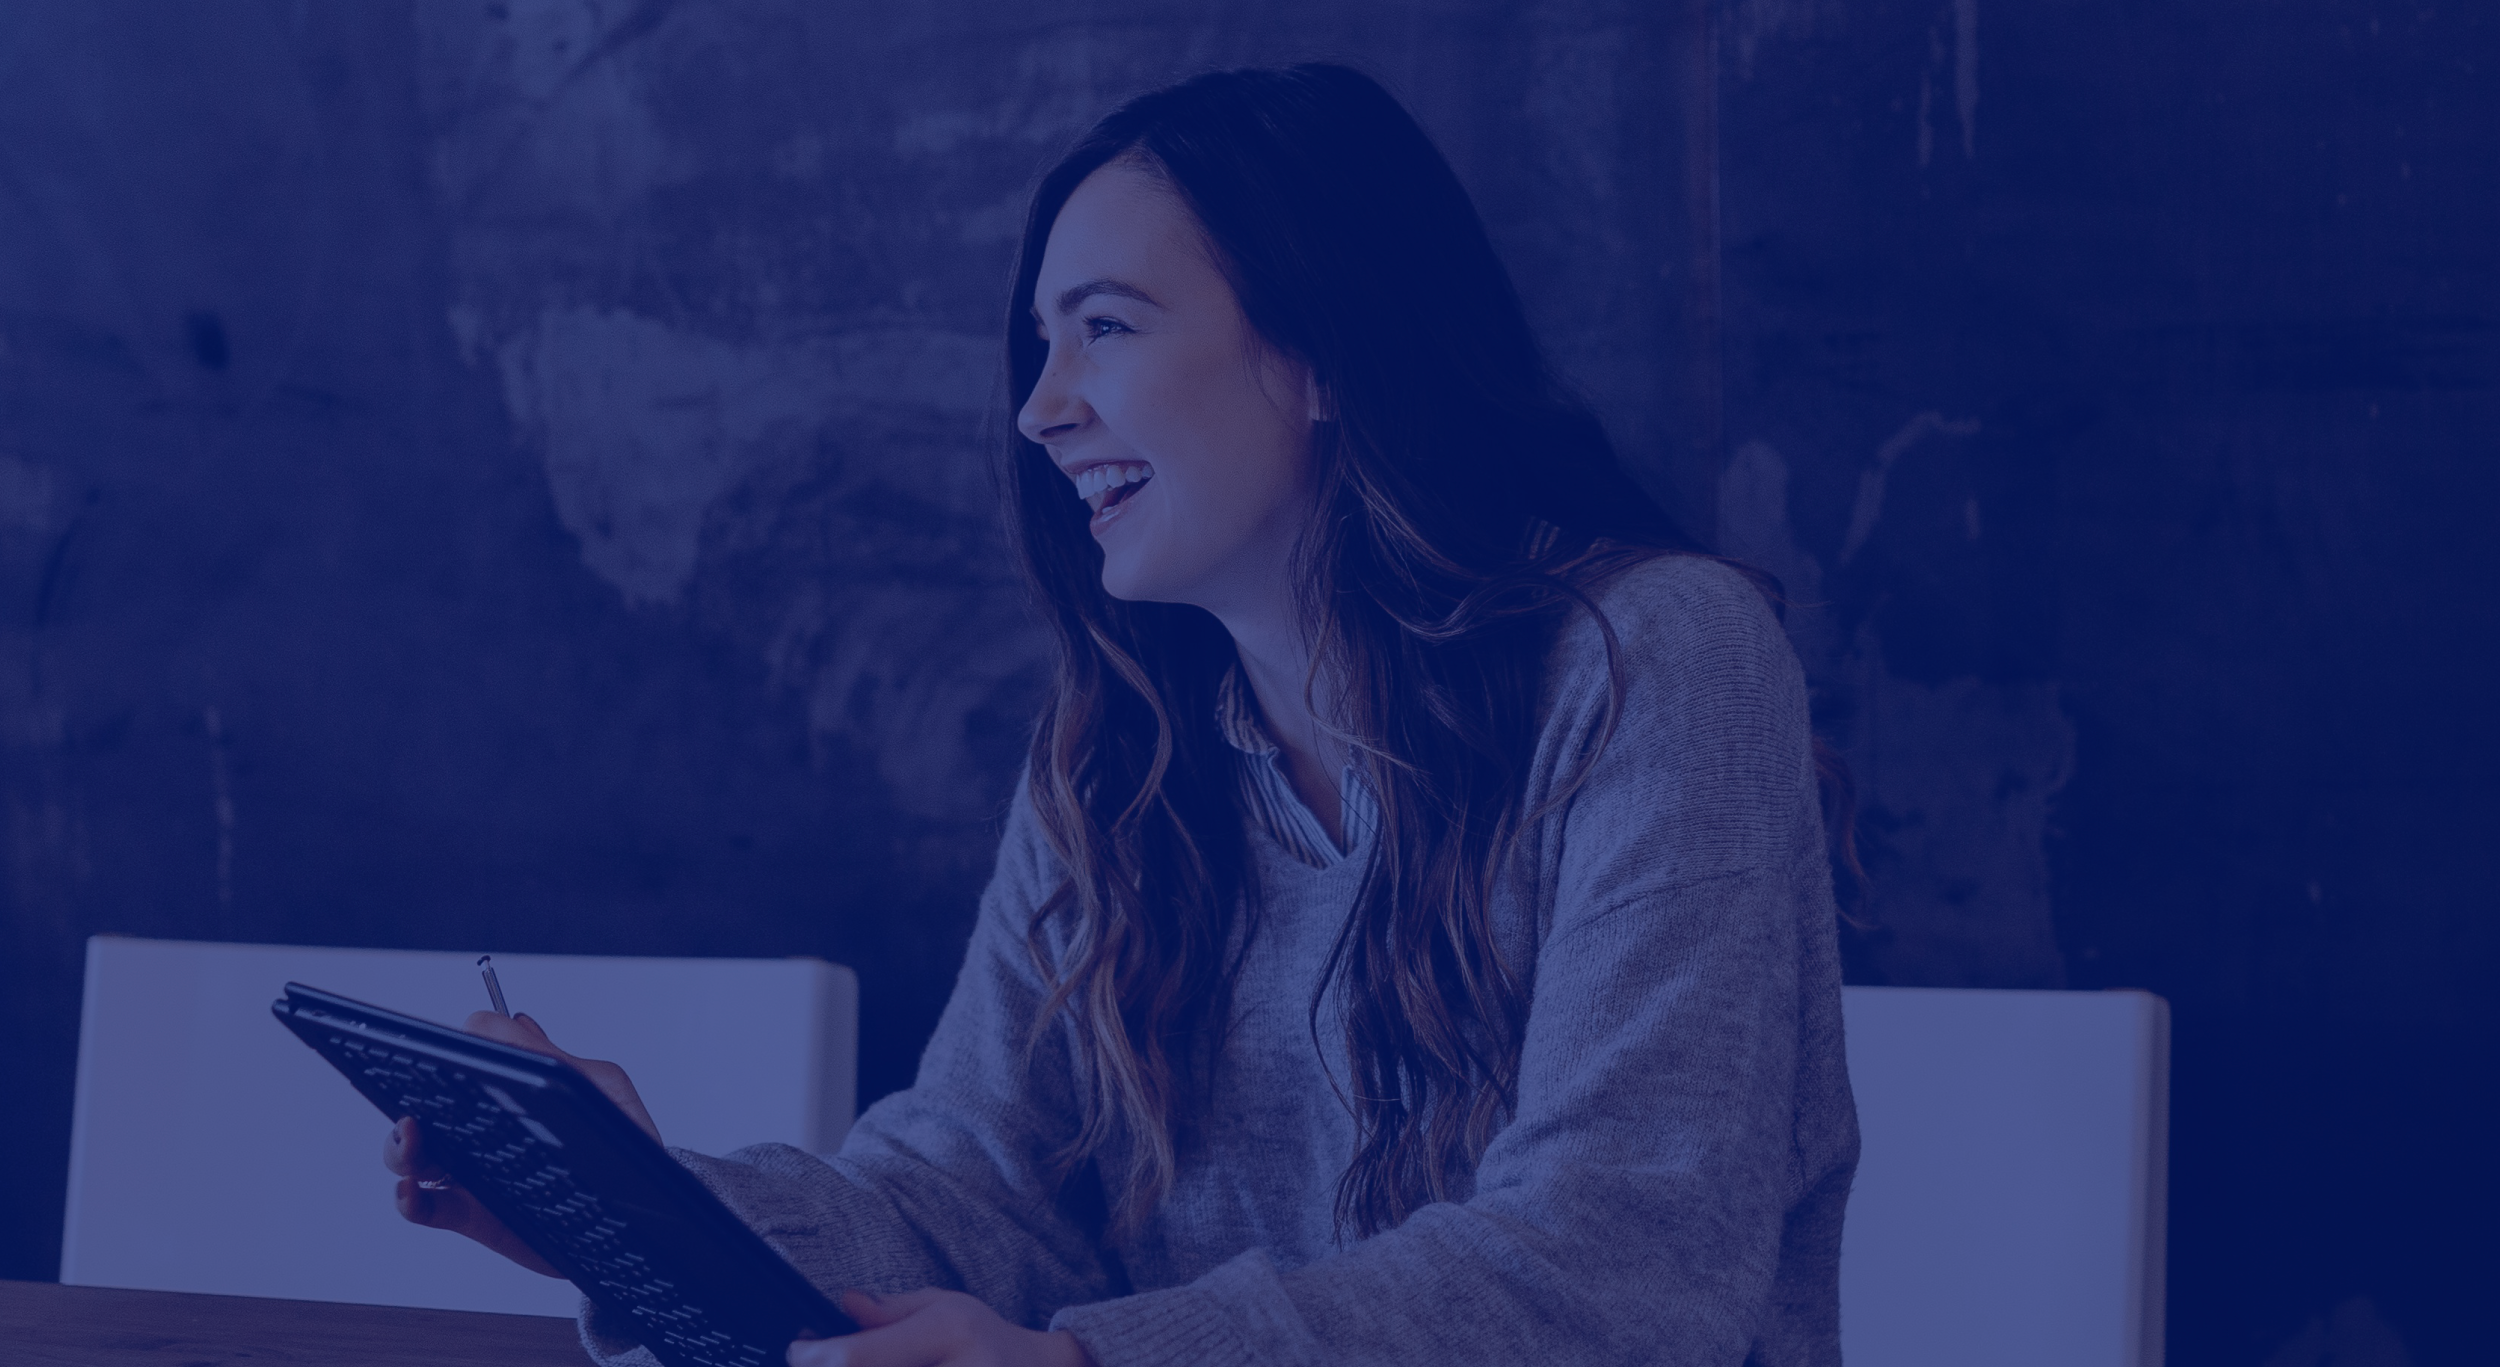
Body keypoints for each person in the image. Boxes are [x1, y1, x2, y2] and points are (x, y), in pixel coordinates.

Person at [386, 63, 1859, 1367]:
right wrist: (646, 1206)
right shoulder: (1118, 752)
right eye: (1042, 342)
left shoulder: (1657, 660)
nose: (1041, 406)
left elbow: (1626, 1257)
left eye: (1106, 326)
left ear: (1323, 354)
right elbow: (965, 1198)